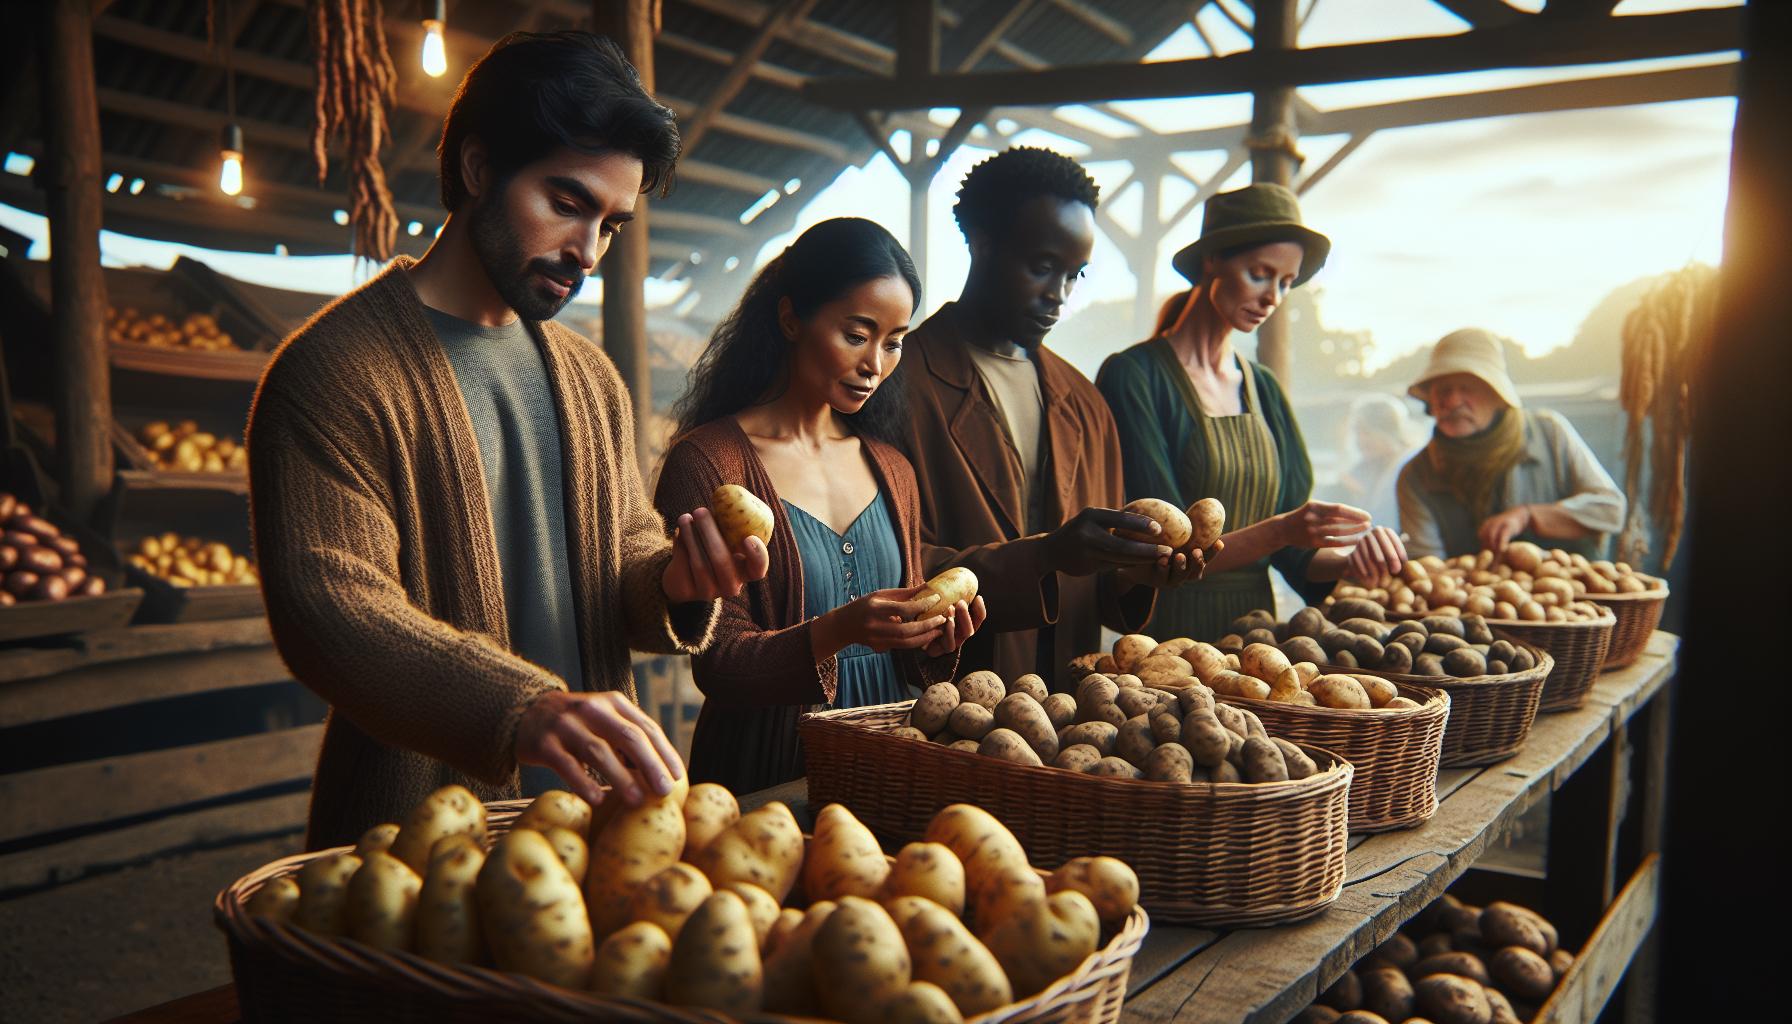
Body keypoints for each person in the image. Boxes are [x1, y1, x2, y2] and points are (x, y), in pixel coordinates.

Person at [247, 32, 768, 849]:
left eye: (612, 225)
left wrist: (675, 580)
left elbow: (623, 564)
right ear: (479, 168)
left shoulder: (590, 378)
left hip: (601, 834)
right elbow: (333, 611)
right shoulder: (334, 372)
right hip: (415, 845)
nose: (586, 253)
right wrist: (519, 709)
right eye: (566, 204)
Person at [656, 218, 985, 793]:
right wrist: (837, 629)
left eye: (894, 341)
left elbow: (903, 641)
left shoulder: (893, 468)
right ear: (790, 319)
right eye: (856, 334)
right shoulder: (709, 464)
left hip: (885, 759)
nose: (875, 365)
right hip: (764, 771)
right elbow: (719, 663)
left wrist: (935, 642)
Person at [894, 147, 1204, 684]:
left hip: (1065, 708)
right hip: (946, 700)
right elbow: (886, 568)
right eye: (1041, 268)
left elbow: (1100, 594)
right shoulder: (899, 384)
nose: (1058, 296)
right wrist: (1045, 554)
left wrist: (1138, 573)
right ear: (983, 243)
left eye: (1075, 274)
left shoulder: (1084, 403)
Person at [1097, 183, 1405, 641]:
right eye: (1260, 273)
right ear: (1212, 261)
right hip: (1167, 638)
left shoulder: (1263, 388)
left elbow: (1296, 556)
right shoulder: (1134, 377)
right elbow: (1169, 549)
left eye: (1286, 283)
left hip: (1256, 643)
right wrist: (1283, 529)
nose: (1273, 297)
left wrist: (1357, 560)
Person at [1396, 327, 1625, 559]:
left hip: (1573, 591)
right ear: (1431, 402)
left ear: (1497, 395)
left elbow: (1610, 510)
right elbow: (1428, 568)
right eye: (1443, 391)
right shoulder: (1416, 477)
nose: (1453, 401)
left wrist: (1528, 516)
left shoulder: (1548, 434)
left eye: (1468, 388)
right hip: (1471, 593)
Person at [1334, 393, 1420, 531]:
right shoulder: (1372, 466)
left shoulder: (1409, 465)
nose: (1359, 440)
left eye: (1366, 432)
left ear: (1387, 431)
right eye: (1357, 432)